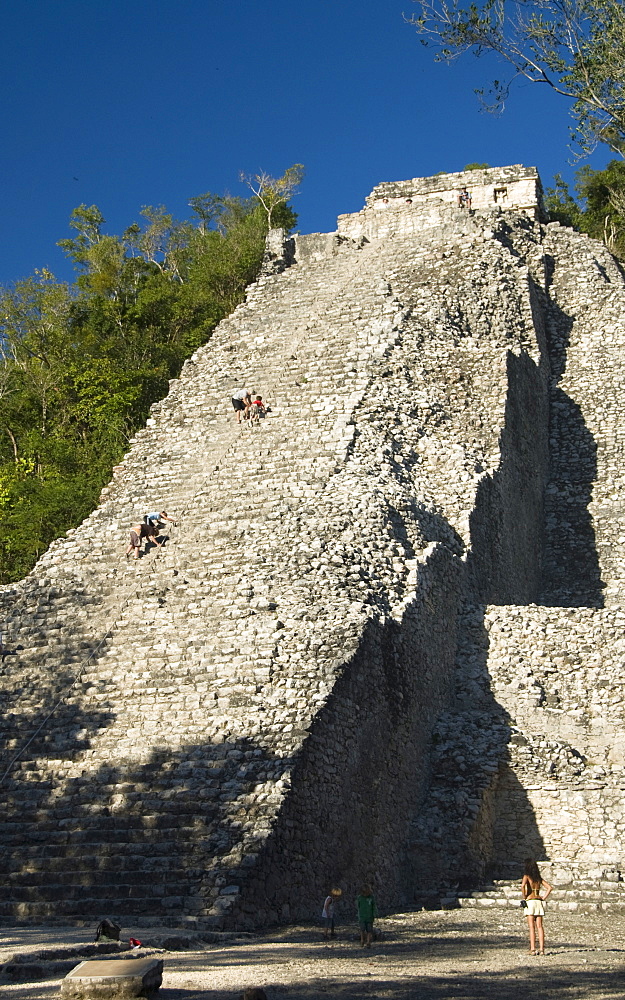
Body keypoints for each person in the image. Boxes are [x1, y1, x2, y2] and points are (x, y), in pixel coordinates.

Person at [521, 858, 552, 955]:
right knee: (539, 926)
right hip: (538, 901)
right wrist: (543, 897)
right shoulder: (538, 878)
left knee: (531, 927)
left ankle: (533, 949)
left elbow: (522, 886)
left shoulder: (527, 876)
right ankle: (542, 949)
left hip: (530, 901)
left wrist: (524, 896)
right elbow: (549, 887)